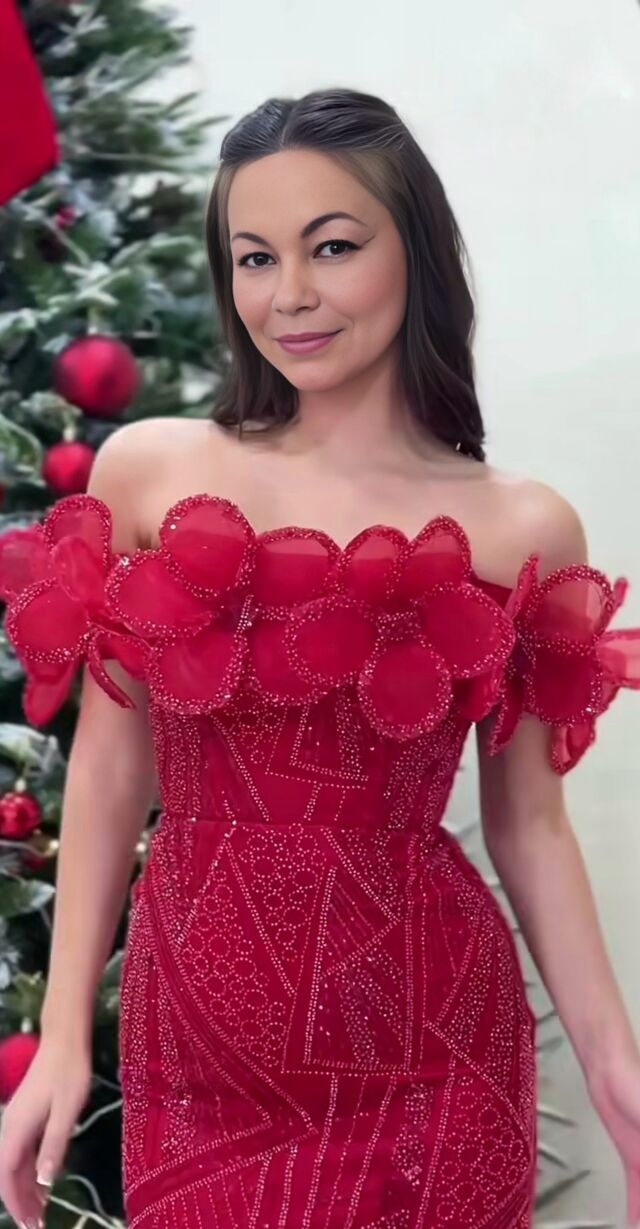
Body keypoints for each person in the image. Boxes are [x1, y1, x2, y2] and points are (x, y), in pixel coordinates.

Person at [0, 86, 639, 1229]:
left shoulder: (521, 525)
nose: (287, 293)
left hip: (435, 1057)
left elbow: (529, 823)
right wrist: (59, 1039)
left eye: (332, 246)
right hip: (197, 1059)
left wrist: (614, 1065)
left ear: (417, 253)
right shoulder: (151, 469)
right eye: (254, 257)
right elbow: (108, 769)